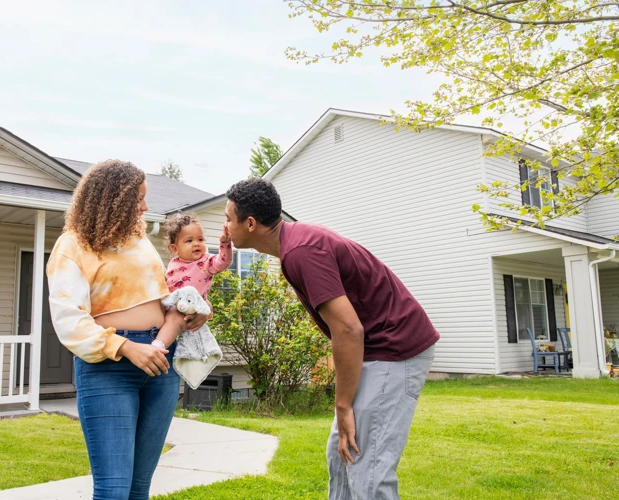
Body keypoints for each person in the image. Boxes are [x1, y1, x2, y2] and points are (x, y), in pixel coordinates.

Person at [224, 178, 439, 500]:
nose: (225, 228)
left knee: (367, 467)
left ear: (250, 223)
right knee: (342, 458)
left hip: (394, 349)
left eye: (228, 219)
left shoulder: (301, 253)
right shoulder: (295, 245)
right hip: (375, 350)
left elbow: (349, 330)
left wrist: (342, 405)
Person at [45, 160, 209, 500]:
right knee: (114, 489)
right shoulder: (72, 245)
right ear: (111, 198)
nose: (145, 207)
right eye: (138, 198)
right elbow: (68, 320)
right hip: (110, 368)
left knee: (139, 488)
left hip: (160, 362)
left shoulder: (140, 242)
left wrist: (185, 316)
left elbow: (158, 295)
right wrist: (126, 347)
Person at [150, 213, 232, 352]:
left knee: (174, 321)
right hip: (171, 303)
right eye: (189, 241)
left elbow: (223, 262)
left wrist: (225, 244)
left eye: (200, 239)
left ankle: (159, 347)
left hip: (190, 306)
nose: (196, 244)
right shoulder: (173, 263)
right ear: (175, 249)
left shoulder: (207, 261)